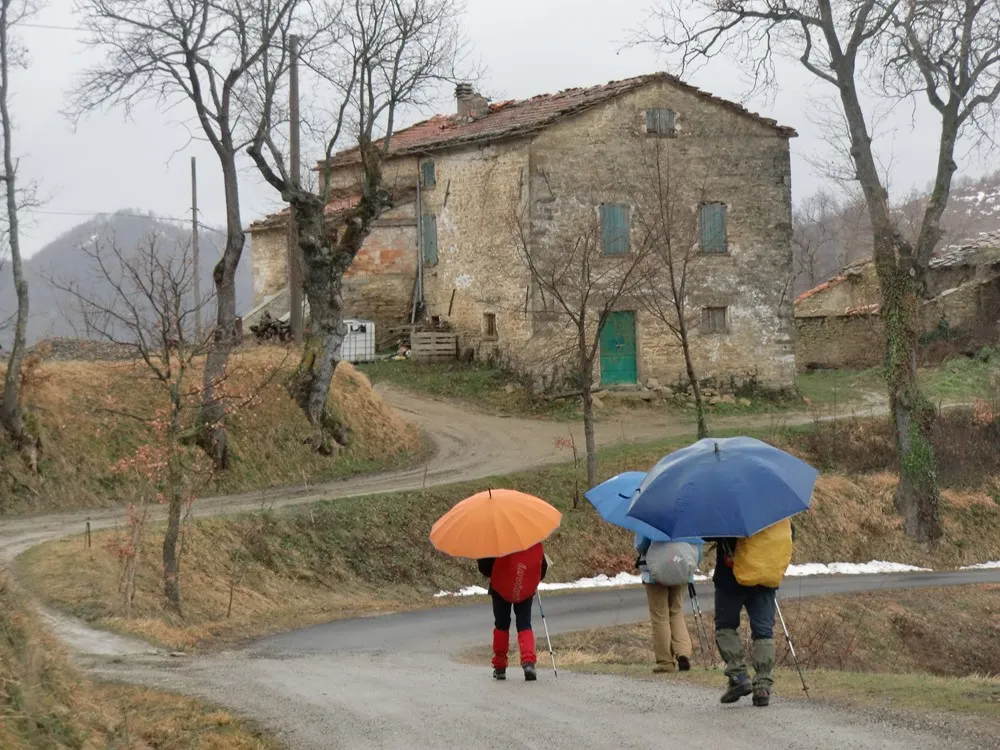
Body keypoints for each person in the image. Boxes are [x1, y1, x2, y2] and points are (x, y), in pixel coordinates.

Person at [708, 520, 795, 708]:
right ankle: (762, 685)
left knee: (726, 626)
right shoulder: (776, 508)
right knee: (763, 632)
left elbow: (707, 534)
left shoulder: (729, 508)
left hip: (730, 579)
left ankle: (738, 676)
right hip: (765, 579)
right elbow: (791, 535)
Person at [477, 542, 548, 681]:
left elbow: (484, 567)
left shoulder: (496, 541)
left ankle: (500, 666)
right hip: (524, 587)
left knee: (501, 625)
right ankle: (528, 663)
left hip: (500, 588)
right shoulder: (531, 539)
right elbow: (542, 567)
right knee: (524, 625)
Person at [635, 533, 699, 673]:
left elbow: (641, 546)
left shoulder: (651, 515)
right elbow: (697, 550)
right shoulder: (689, 517)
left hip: (654, 572)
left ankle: (665, 663)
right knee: (676, 612)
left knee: (660, 616)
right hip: (681, 571)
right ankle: (683, 653)